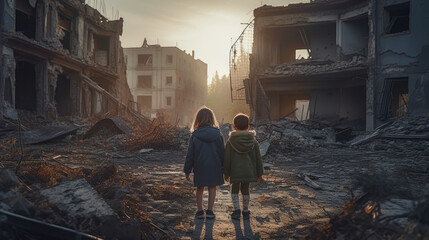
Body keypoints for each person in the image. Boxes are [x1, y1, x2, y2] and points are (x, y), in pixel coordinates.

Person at [184, 107, 225, 219]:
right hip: (214, 165)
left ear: (197, 119)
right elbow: (223, 153)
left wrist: (187, 170)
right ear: (212, 119)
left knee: (200, 188)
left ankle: (200, 211)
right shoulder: (218, 134)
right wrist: (225, 169)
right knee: (212, 187)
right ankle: (210, 211)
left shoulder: (195, 135)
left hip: (200, 166)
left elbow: (190, 154)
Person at [224, 113, 263, 220]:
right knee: (246, 189)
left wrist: (226, 173)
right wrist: (260, 173)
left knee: (234, 189)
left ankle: (237, 210)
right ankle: (245, 211)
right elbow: (258, 159)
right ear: (248, 126)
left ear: (234, 127)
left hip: (235, 172)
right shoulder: (253, 141)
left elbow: (227, 159)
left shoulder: (230, 141)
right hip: (248, 171)